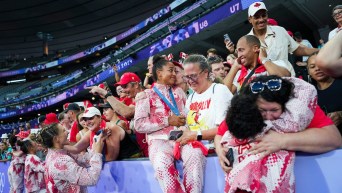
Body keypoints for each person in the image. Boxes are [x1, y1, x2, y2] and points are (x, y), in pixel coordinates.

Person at [215, 75, 342, 184]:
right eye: (262, 111)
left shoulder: (302, 111)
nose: (269, 116)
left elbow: (334, 138)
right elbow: (219, 134)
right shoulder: (245, 112)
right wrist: (220, 151)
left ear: (286, 104)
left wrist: (283, 140)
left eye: (274, 110)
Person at [134, 55, 206, 193]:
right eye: (171, 70)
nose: (174, 74)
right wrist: (167, 120)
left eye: (175, 71)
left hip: (183, 138)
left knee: (196, 154)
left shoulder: (179, 92)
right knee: (162, 165)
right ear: (159, 73)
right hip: (159, 141)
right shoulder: (145, 95)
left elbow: (190, 114)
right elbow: (139, 124)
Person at [245, 1, 318, 76]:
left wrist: (319, 51)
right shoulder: (246, 42)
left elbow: (296, 49)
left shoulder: (280, 30)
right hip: (263, 84)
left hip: (288, 80)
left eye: (264, 15)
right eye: (256, 17)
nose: (261, 20)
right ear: (250, 19)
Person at [179, 54, 233, 150]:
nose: (190, 81)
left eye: (193, 76)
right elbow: (188, 128)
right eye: (186, 77)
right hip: (196, 149)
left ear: (206, 73)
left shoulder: (219, 90)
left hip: (218, 151)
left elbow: (224, 128)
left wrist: (196, 135)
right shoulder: (190, 98)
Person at [87, 72, 148, 156]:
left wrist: (105, 93)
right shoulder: (135, 101)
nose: (122, 90)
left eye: (125, 86)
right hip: (144, 145)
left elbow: (127, 112)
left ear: (136, 85)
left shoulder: (145, 95)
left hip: (154, 146)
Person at [39, 123, 105, 193]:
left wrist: (97, 142)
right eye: (63, 131)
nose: (67, 132)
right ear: (56, 139)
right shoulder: (60, 161)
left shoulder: (54, 154)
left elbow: (83, 159)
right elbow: (91, 179)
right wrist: (97, 153)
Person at [64, 107, 140, 160]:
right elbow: (75, 149)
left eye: (90, 118)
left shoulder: (111, 129)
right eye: (85, 120)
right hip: (120, 164)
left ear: (99, 117)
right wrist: (57, 145)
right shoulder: (91, 132)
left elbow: (110, 158)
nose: (87, 122)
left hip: (133, 161)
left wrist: (93, 159)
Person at [224, 35, 291, 94]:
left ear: (255, 48)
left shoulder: (275, 64)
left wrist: (263, 59)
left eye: (241, 50)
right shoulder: (240, 73)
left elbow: (285, 77)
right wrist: (234, 67)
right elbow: (224, 92)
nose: (239, 55)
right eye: (238, 51)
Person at [307, 52, 342, 134]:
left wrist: (341, 115)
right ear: (309, 73)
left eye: (320, 65)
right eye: (312, 67)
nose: (317, 69)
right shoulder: (309, 93)